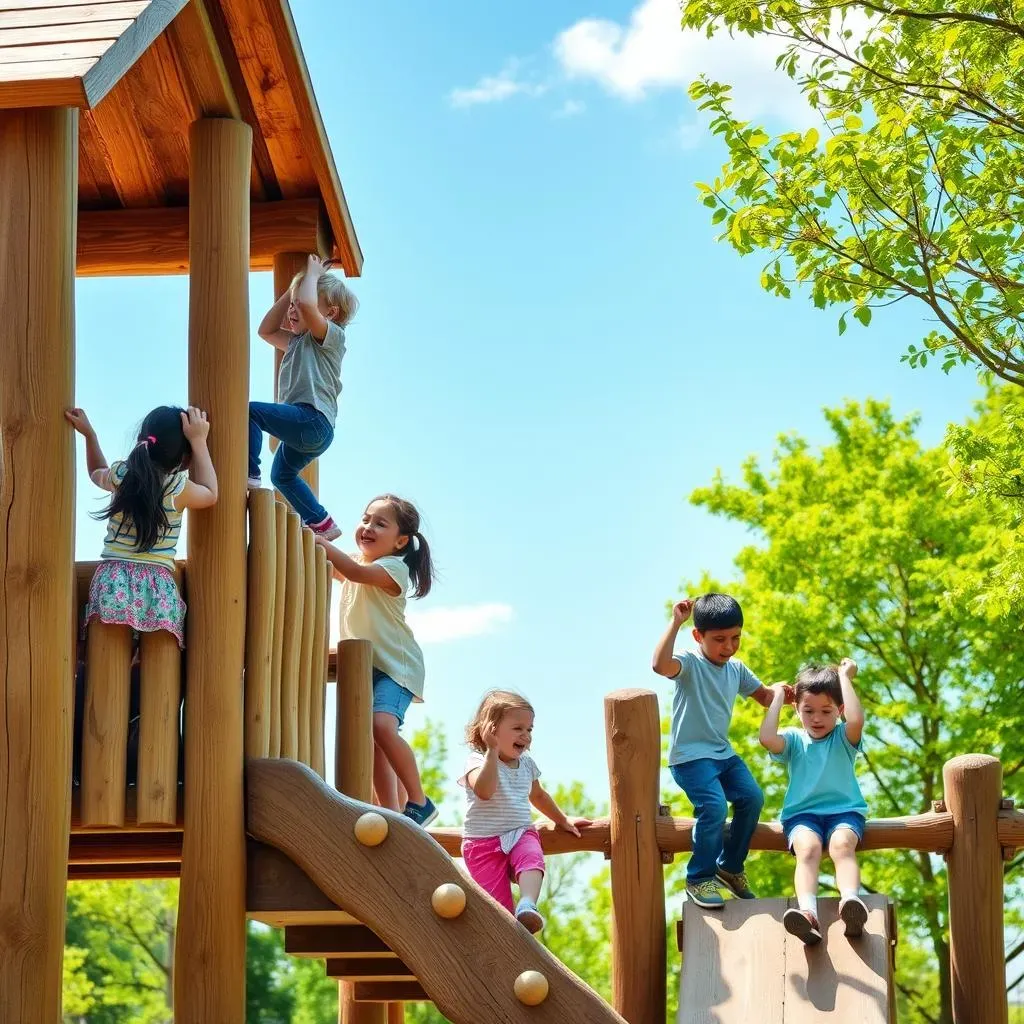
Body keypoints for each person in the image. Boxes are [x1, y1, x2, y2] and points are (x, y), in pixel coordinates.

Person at [317, 495, 437, 825]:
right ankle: (392, 811)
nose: (368, 527)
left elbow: (352, 571)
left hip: (395, 667)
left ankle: (419, 800)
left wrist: (321, 544)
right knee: (374, 741)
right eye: (366, 519)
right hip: (368, 667)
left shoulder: (392, 569)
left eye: (380, 524)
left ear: (401, 541)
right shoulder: (362, 563)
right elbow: (341, 570)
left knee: (381, 727)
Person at [652, 593, 777, 908]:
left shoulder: (736, 669)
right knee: (715, 808)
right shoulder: (691, 663)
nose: (729, 646)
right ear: (698, 636)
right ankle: (699, 877)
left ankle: (729, 866)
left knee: (752, 798)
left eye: (735, 638)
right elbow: (659, 665)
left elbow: (764, 696)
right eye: (719, 639)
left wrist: (793, 694)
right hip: (691, 759)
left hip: (723, 755)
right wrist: (676, 622)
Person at [66, 406, 218, 648]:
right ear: (184, 457)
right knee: (158, 668)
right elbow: (211, 494)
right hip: (158, 587)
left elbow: (95, 472)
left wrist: (90, 435)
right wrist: (199, 441)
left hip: (112, 580)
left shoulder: (122, 475)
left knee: (111, 659)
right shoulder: (178, 488)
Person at [459, 690, 589, 934]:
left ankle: (528, 903)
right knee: (497, 913)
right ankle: (507, 937)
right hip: (482, 845)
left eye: (530, 729)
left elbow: (538, 795)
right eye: (518, 728)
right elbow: (485, 791)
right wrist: (491, 751)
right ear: (491, 729)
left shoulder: (527, 764)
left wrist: (562, 819)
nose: (526, 736)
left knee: (532, 856)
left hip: (519, 832)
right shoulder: (476, 761)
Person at [759, 658, 870, 945]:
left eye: (826, 711)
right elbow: (767, 737)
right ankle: (807, 912)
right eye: (808, 711)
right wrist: (779, 697)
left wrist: (845, 676)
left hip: (844, 812)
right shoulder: (795, 740)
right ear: (797, 711)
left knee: (841, 845)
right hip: (802, 816)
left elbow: (856, 720)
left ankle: (850, 903)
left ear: (839, 710)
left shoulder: (843, 737)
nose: (817, 718)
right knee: (807, 849)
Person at [249, 254, 358, 539]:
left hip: (312, 420)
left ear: (330, 314)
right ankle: (322, 522)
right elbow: (266, 331)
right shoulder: (296, 342)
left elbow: (310, 306)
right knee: (282, 475)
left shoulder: (331, 337)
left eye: (300, 304)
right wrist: (291, 292)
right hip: (311, 430)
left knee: (250, 411)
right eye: (293, 305)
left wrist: (310, 275)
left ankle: (249, 471)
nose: (293, 311)